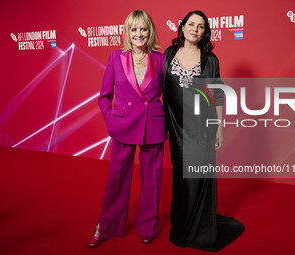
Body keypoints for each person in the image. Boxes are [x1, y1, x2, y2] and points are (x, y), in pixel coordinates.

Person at [163, 10, 245, 252]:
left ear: (204, 32)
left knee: (197, 177)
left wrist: (218, 127)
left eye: (200, 26)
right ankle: (183, 222)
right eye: (191, 24)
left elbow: (217, 95)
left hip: (201, 128)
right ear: (183, 27)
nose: (195, 29)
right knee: (181, 177)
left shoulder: (210, 59)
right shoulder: (169, 54)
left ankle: (198, 227)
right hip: (177, 128)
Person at [89, 10, 166, 248]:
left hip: (152, 124)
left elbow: (172, 96)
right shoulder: (116, 57)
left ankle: (148, 226)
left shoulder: (161, 59)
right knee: (117, 178)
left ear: (150, 31)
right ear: (127, 32)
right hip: (122, 125)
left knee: (152, 180)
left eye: (143, 29)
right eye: (134, 29)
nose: (138, 34)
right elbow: (104, 96)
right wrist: (112, 121)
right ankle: (107, 225)